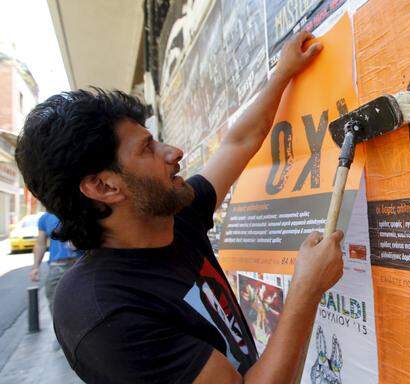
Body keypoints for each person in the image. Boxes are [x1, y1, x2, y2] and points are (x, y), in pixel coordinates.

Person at [15, 32, 343, 384]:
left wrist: (282, 73)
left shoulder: (169, 218)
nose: (173, 152)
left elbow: (240, 141)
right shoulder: (105, 313)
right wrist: (306, 291)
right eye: (146, 149)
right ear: (104, 186)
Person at [30, 211, 83, 317]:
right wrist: (35, 267)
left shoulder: (80, 209)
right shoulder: (45, 218)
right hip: (58, 267)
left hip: (82, 263)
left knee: (84, 303)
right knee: (56, 307)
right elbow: (40, 244)